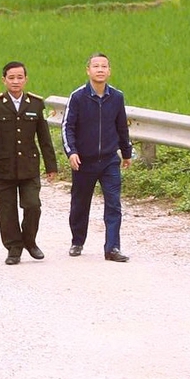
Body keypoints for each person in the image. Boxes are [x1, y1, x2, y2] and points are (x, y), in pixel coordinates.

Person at [0, 60, 58, 265]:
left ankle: (30, 241)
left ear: (26, 79)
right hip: (3, 166)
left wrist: (51, 166)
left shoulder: (35, 103)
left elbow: (44, 137)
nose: (15, 81)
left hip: (29, 166)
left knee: (33, 205)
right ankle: (14, 248)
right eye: (11, 78)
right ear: (4, 80)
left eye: (19, 77)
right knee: (6, 210)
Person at [62, 52, 131, 262]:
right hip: (84, 160)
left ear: (109, 71)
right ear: (88, 71)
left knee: (113, 203)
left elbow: (121, 126)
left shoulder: (117, 97)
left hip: (109, 160)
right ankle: (77, 240)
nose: (100, 70)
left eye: (104, 66)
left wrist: (126, 152)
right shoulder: (78, 96)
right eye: (96, 66)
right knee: (80, 203)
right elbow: (67, 126)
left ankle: (112, 248)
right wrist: (71, 151)